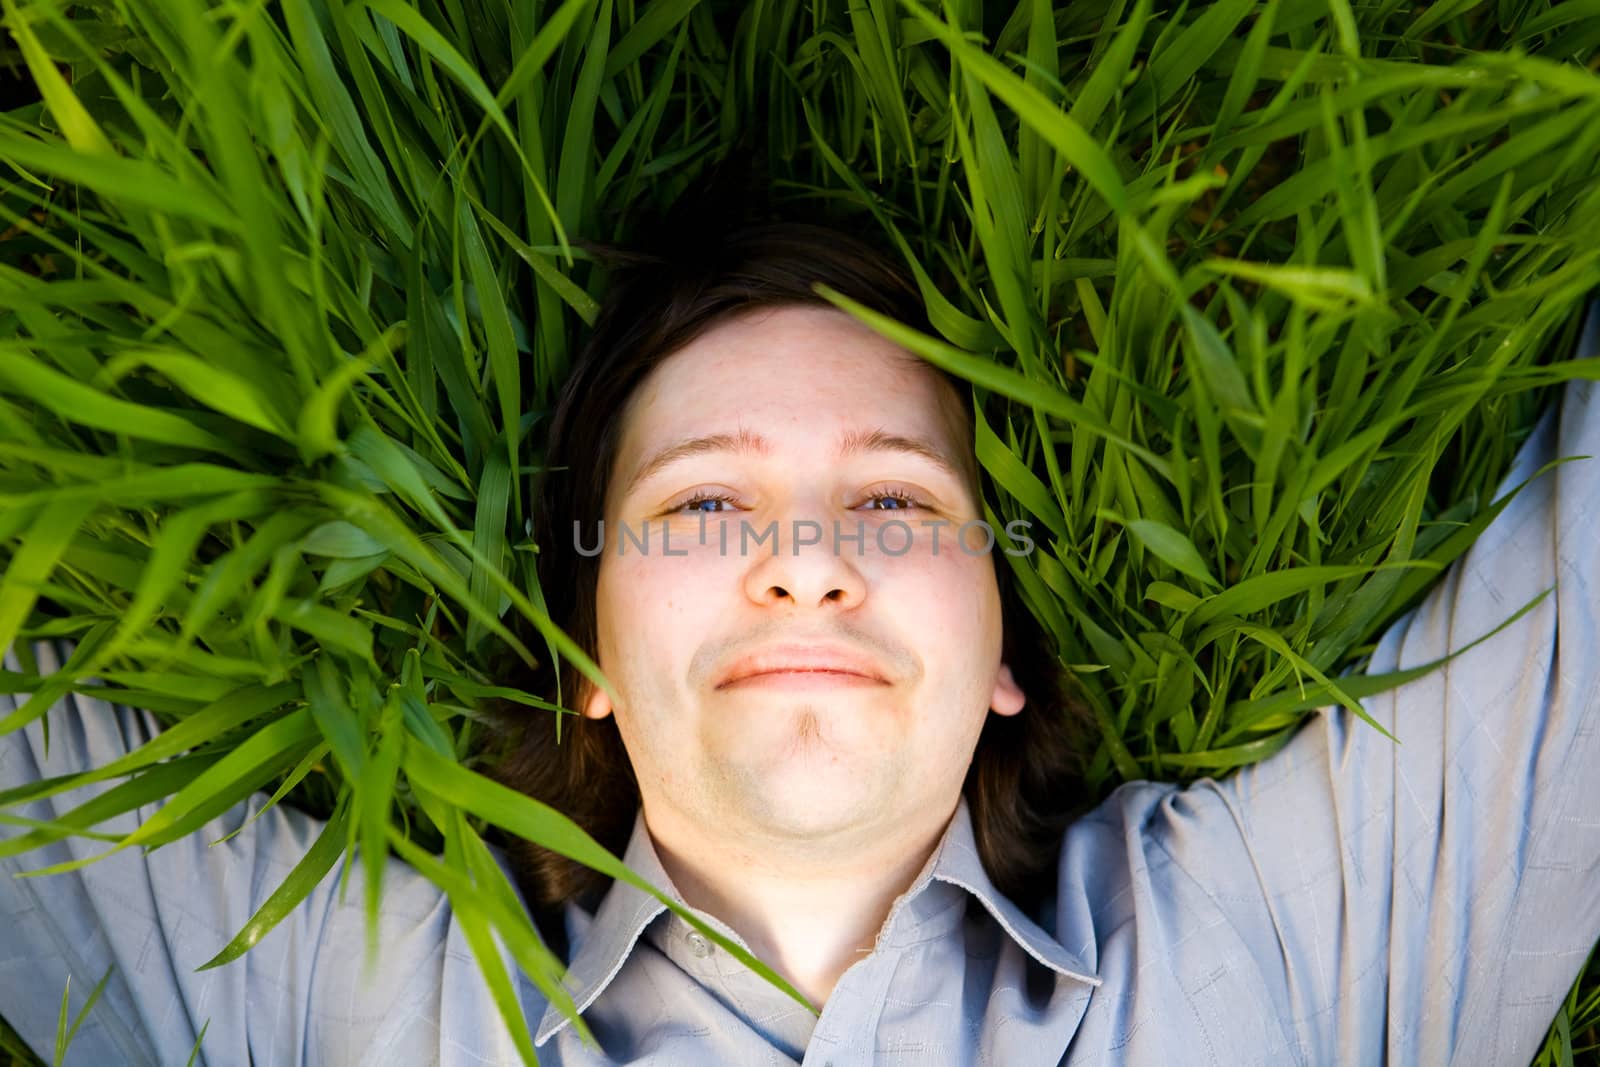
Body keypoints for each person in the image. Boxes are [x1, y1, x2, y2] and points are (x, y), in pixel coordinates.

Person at [2, 205, 1599, 1067]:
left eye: (898, 504)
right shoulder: (340, 1010)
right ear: (590, 659)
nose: (808, 564)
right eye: (702, 510)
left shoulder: (1272, 937)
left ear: (1001, 657)